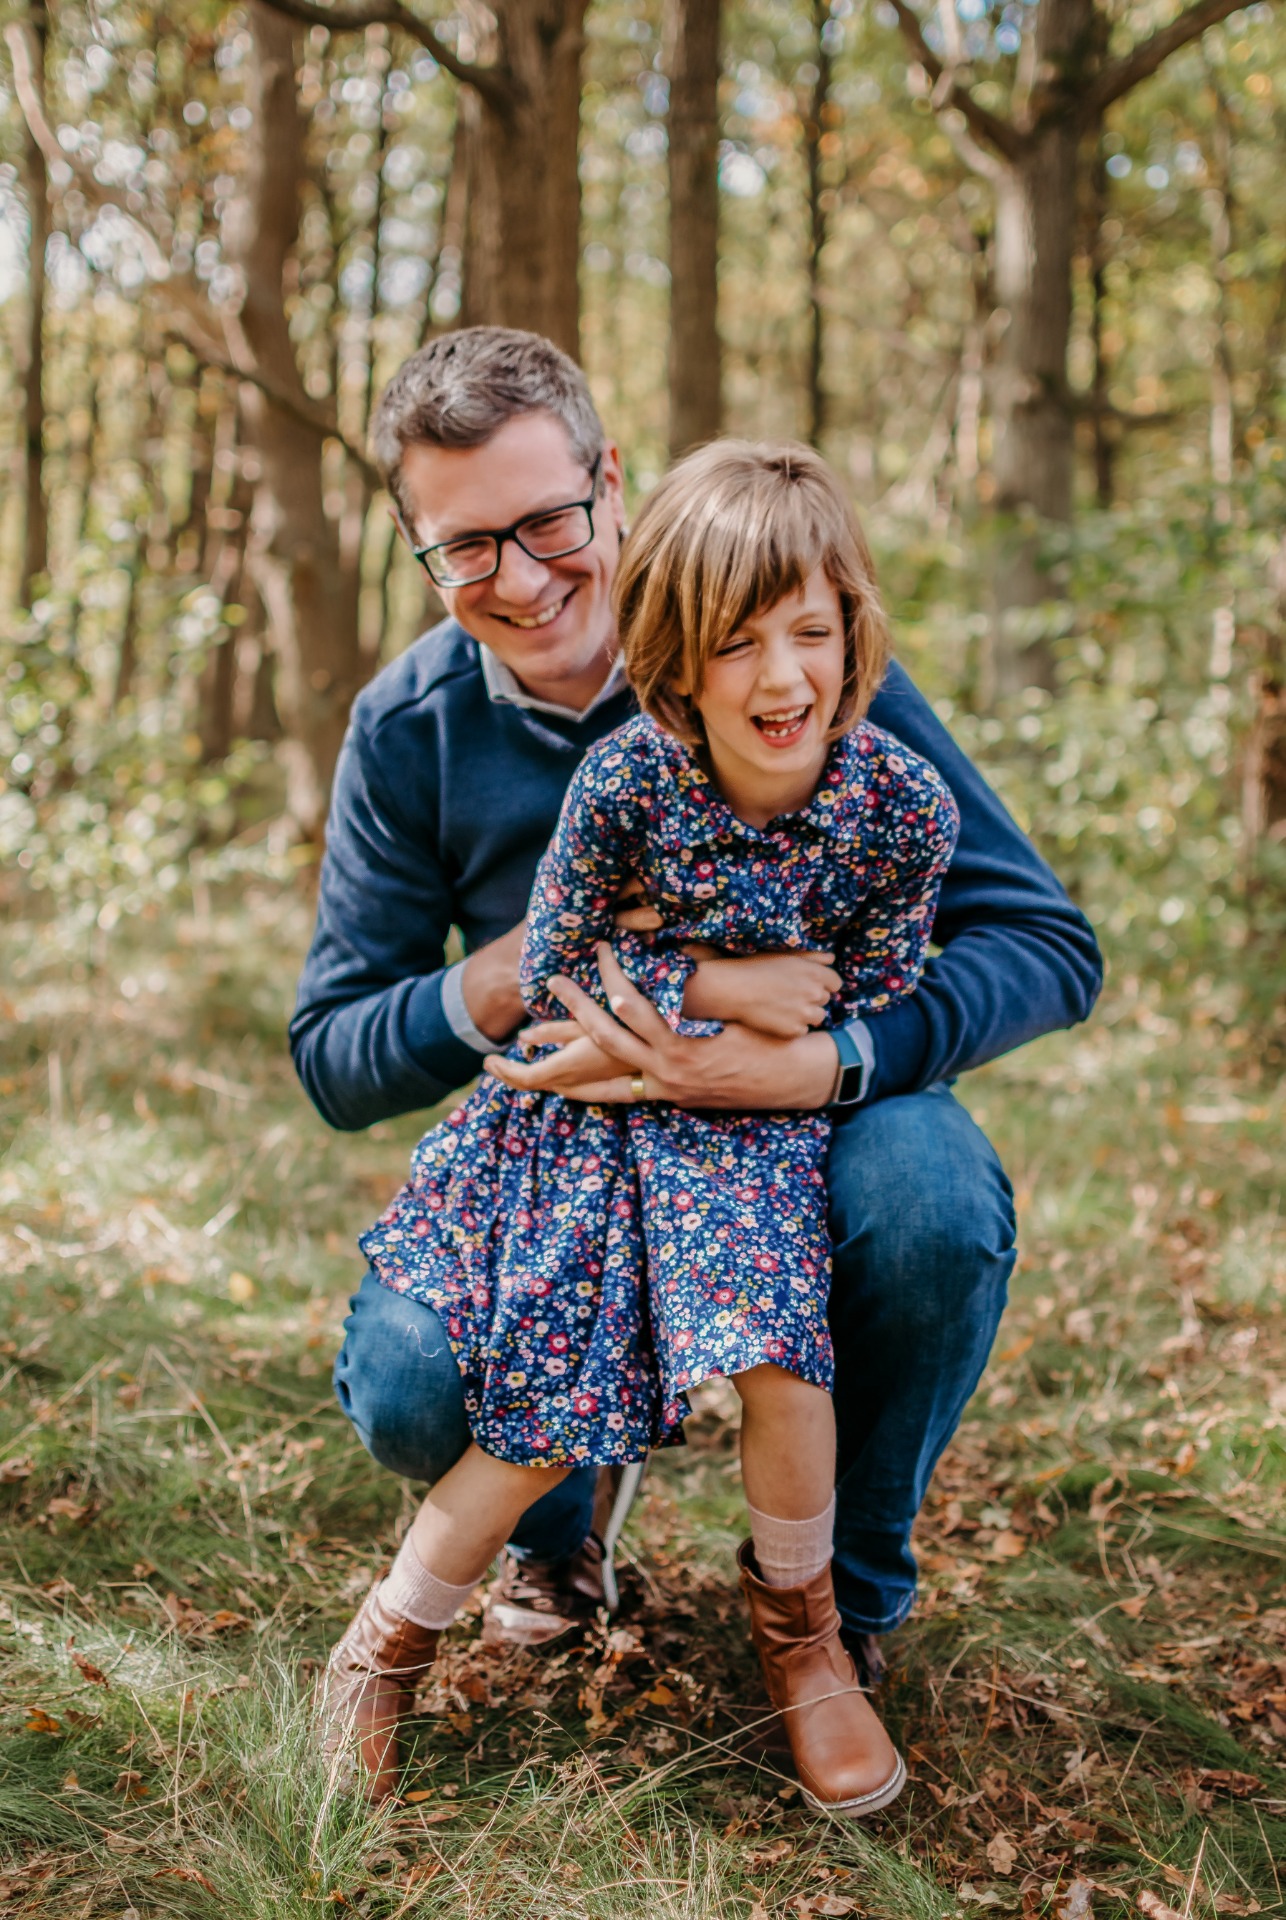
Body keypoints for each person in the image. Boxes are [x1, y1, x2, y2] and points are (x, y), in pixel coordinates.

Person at [293, 328, 1101, 1786]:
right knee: (419, 1375)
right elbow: (334, 1055)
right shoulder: (409, 729)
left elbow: (1036, 946)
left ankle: (833, 1619)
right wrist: (515, 985)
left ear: (611, 484)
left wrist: (831, 1056)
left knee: (924, 1204)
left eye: (547, 522)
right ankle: (539, 1557)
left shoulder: (803, 664)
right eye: (469, 548)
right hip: (570, 1112)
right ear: (422, 554)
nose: (525, 579)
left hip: (790, 1113)